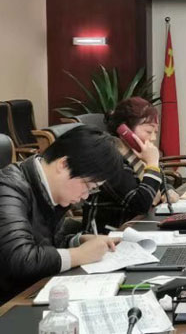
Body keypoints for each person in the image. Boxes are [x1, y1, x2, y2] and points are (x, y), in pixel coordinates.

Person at [0, 126, 122, 304]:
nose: (85, 196)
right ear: (63, 164)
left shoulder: (48, 190)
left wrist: (77, 242)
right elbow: (21, 258)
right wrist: (79, 254)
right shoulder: (8, 187)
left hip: (28, 293)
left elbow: (43, 242)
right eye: (87, 186)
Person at [83, 97, 179, 233]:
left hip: (135, 228)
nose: (153, 138)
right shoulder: (110, 157)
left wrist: (167, 190)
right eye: (148, 131)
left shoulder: (134, 154)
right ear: (124, 130)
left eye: (155, 132)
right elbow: (140, 204)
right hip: (108, 235)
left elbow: (161, 181)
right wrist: (152, 163)